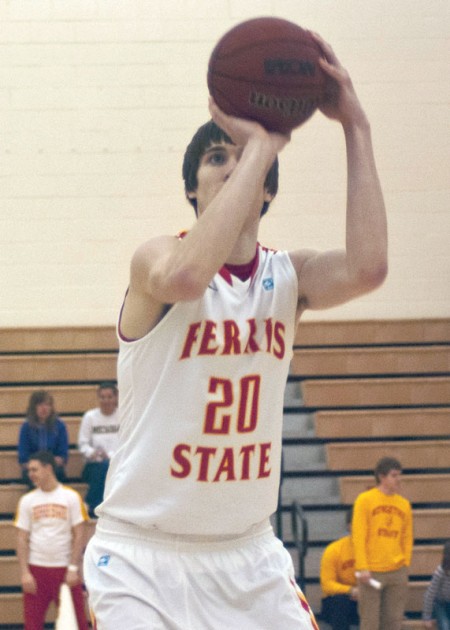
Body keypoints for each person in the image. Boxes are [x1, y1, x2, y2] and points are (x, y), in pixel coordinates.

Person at [83, 31, 388, 630]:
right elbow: (190, 276)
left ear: (267, 190)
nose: (232, 163)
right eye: (216, 157)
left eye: (242, 157)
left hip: (248, 557)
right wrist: (260, 145)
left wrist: (356, 124)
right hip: (143, 557)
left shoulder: (287, 276)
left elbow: (369, 267)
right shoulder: (156, 258)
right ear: (192, 187)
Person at [14, 450, 89, 630]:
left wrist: (73, 568)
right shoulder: (27, 500)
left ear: (48, 468)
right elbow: (21, 538)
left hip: (65, 570)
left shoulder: (71, 497)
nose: (30, 474)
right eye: (29, 470)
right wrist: (25, 573)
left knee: (78, 624)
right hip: (36, 570)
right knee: (32, 625)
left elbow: (80, 534)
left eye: (34, 469)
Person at [352, 456, 413, 630]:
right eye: (394, 475)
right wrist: (362, 566)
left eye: (399, 475)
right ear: (381, 477)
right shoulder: (365, 500)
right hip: (371, 571)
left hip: (397, 570)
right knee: (370, 622)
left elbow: (407, 537)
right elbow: (359, 535)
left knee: (393, 622)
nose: (398, 479)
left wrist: (405, 563)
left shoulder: (404, 505)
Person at [78, 382, 119, 518]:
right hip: (93, 465)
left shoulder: (122, 416)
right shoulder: (90, 417)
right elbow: (82, 444)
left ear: (116, 398)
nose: (106, 401)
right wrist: (92, 453)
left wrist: (111, 456)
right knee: (102, 468)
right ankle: (97, 507)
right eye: (102, 397)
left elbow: (127, 442)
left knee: (107, 467)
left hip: (117, 464)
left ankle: (91, 504)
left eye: (109, 397)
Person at [18, 390, 69, 487]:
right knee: (34, 474)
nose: (44, 408)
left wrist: (49, 464)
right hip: (32, 469)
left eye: (47, 405)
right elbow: (23, 457)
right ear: (33, 407)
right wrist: (38, 465)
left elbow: (63, 455)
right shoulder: (26, 427)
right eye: (40, 405)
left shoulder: (60, 426)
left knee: (57, 474)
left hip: (53, 468)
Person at [320, 508, 359, 630]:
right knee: (339, 601)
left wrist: (366, 592)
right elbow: (327, 585)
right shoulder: (334, 550)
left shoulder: (377, 549)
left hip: (367, 598)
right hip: (342, 601)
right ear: (349, 526)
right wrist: (351, 590)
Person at [423, 540, 450, 629]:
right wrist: (427, 617)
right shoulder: (441, 572)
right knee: (445, 626)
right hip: (440, 603)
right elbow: (430, 594)